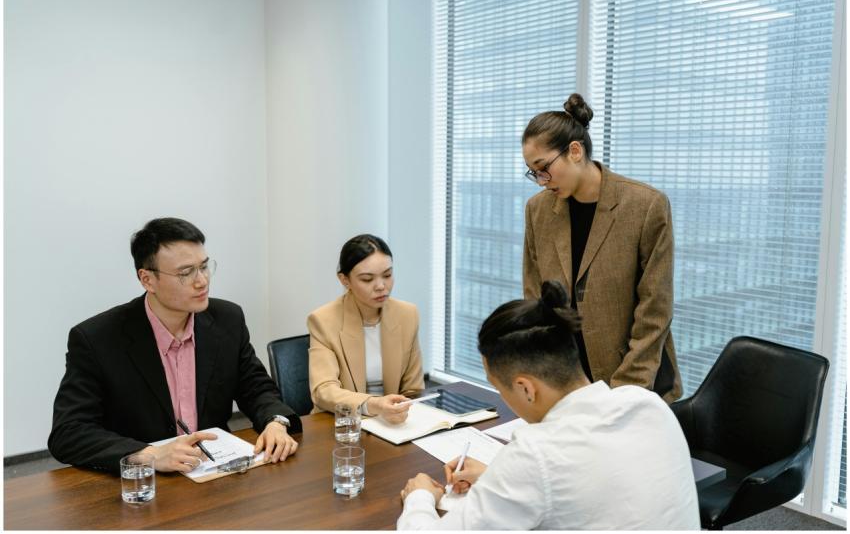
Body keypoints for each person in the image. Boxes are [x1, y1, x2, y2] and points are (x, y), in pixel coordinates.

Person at [397, 281, 700, 530]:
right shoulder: (648, 404)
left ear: (526, 388)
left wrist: (420, 497)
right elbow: (594, 485)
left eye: (498, 388)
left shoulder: (535, 454)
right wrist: (496, 478)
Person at [48, 218, 301, 475]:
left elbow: (256, 388)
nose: (201, 281)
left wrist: (276, 422)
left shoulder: (227, 319)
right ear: (147, 279)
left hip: (216, 474)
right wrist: (150, 455)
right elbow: (69, 432)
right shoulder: (98, 338)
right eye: (185, 273)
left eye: (204, 267)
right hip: (143, 485)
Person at [522, 93, 682, 402]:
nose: (541, 181)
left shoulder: (645, 205)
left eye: (544, 168)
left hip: (637, 384)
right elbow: (535, 298)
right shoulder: (538, 210)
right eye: (533, 172)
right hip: (569, 382)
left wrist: (624, 392)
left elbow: (655, 310)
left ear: (575, 151)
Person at [308, 234, 424, 422]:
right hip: (343, 423)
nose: (381, 286)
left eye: (387, 275)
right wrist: (374, 405)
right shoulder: (323, 320)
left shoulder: (407, 314)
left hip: (392, 422)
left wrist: (399, 411)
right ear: (345, 280)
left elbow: (413, 389)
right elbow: (324, 391)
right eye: (367, 279)